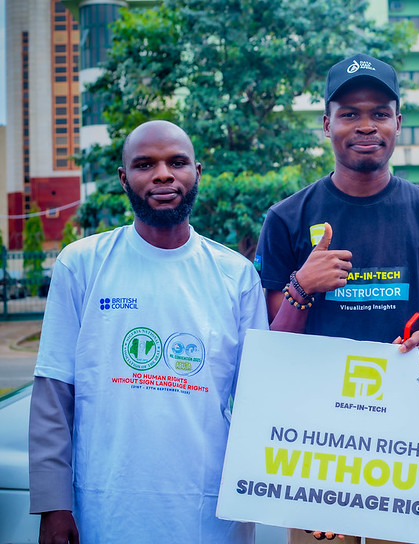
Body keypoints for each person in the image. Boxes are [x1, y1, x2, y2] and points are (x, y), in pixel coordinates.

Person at [254, 53, 419, 544]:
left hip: (409, 446)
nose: (365, 125)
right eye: (349, 114)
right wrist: (301, 286)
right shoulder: (286, 219)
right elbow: (274, 347)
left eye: (379, 112)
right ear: (327, 124)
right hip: (319, 447)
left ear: (398, 122)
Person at [28, 120, 268, 544]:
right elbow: (54, 394)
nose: (163, 175)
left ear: (197, 171)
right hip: (104, 510)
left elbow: (261, 402)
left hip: (209, 514)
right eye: (145, 164)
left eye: (177, 162)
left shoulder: (236, 275)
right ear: (124, 178)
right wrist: (53, 504)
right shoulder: (81, 263)